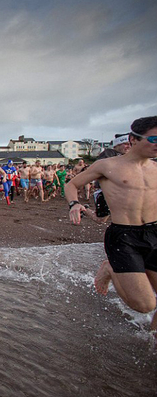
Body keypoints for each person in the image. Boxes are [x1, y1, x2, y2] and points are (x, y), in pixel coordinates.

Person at [66, 116, 157, 333]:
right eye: (153, 138)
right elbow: (72, 184)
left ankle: (152, 342)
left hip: (155, 232)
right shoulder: (107, 166)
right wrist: (74, 204)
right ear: (133, 140)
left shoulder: (155, 168)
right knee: (145, 305)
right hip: (125, 236)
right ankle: (110, 268)